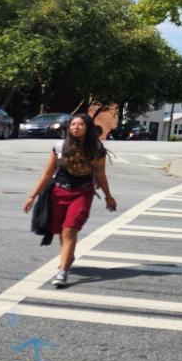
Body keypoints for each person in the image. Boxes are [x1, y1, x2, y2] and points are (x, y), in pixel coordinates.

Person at [23, 113, 117, 288]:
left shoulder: (96, 149)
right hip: (58, 192)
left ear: (87, 127)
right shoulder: (59, 147)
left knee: (69, 231)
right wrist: (32, 196)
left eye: (80, 124)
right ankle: (68, 256)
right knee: (62, 230)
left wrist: (108, 196)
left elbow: (100, 175)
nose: (76, 127)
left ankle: (63, 272)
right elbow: (47, 174)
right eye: (73, 124)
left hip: (82, 194)